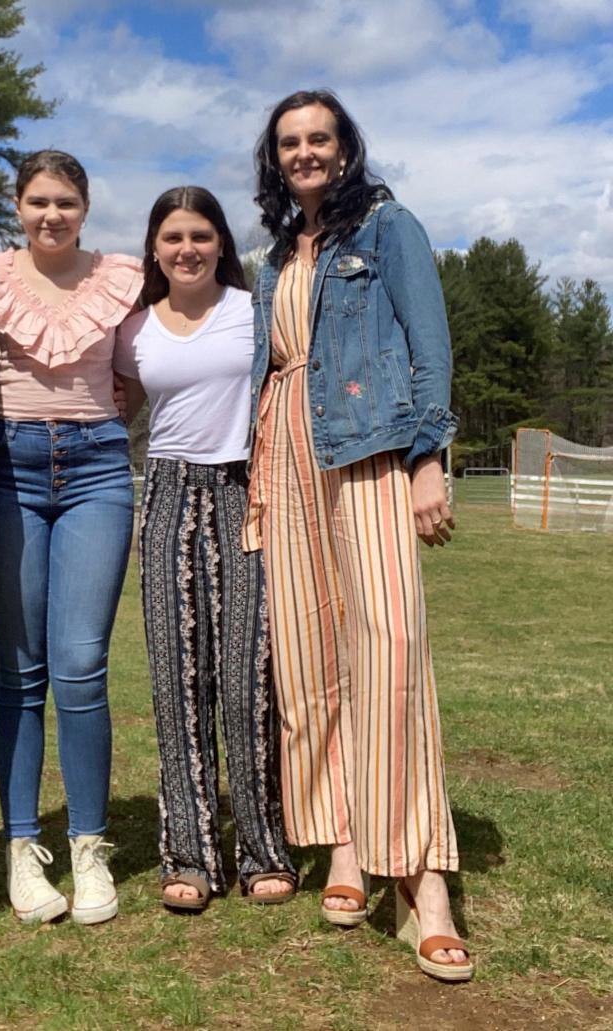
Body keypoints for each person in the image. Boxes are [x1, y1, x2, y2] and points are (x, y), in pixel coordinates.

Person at [245, 90, 474, 981]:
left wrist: (428, 457)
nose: (304, 152)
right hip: (283, 451)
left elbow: (430, 341)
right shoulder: (273, 255)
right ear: (276, 158)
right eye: (289, 142)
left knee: (392, 645)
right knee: (308, 658)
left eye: (318, 138)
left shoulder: (387, 227)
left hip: (368, 444)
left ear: (344, 149)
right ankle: (340, 837)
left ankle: (424, 880)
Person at [0, 150, 141, 926]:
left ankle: (89, 846)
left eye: (66, 201)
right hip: (10, 469)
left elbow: (138, 372)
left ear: (86, 205)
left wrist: (103, 426)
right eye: (38, 201)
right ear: (17, 204)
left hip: (99, 470)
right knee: (20, 667)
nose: (51, 215)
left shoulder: (121, 278)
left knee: (81, 665)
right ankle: (22, 848)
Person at [114, 186, 297, 912]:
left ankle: (263, 848)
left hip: (246, 489)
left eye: (200, 234)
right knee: (176, 676)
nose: (186, 248)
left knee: (251, 676)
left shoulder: (254, 314)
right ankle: (189, 851)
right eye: (171, 237)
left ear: (222, 242)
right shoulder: (131, 329)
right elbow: (113, 408)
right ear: (154, 249)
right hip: (164, 493)